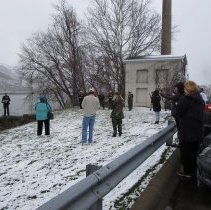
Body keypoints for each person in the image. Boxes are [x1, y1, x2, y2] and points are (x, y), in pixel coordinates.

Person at [176, 81, 204, 178]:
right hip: (197, 130)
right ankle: (193, 170)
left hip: (186, 131)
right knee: (193, 152)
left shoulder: (185, 99)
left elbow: (178, 112)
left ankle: (187, 172)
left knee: (185, 153)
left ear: (187, 88)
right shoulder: (200, 99)